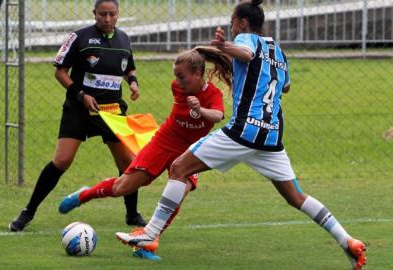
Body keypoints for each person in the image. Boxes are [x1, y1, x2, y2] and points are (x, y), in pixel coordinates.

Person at [115, 1, 367, 269]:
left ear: (243, 23)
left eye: (233, 22)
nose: (232, 27)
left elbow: (246, 53)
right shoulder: (279, 53)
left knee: (178, 168)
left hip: (243, 131)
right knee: (296, 197)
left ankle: (150, 235)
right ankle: (347, 240)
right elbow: (286, 87)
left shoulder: (247, 39)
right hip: (271, 137)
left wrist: (225, 48)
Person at [58, 46, 232, 260]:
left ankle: (145, 243)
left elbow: (217, 115)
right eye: (176, 77)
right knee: (123, 186)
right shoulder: (178, 88)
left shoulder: (212, 94)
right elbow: (193, 106)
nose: (177, 82)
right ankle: (84, 194)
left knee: (177, 194)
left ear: (198, 74)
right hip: (164, 142)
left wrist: (200, 110)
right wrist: (194, 107)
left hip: (189, 151)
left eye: (182, 77)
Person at [9, 0, 147, 232]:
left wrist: (133, 83)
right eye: (102, 14)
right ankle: (28, 212)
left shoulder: (124, 39)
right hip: (79, 109)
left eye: (112, 14)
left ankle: (132, 214)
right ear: (94, 14)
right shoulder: (79, 37)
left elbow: (128, 67)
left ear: (118, 14)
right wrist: (81, 95)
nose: (107, 18)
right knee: (62, 160)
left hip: (111, 111)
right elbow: (60, 71)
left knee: (127, 163)